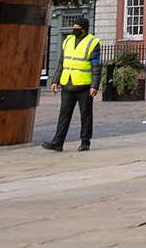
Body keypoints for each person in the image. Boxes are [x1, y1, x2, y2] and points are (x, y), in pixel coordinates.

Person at [39, 18, 100, 152]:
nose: (74, 29)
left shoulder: (93, 42)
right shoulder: (67, 41)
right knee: (64, 115)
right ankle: (58, 142)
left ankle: (85, 141)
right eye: (74, 26)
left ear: (83, 29)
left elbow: (96, 67)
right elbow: (62, 62)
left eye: (77, 27)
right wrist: (55, 81)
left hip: (84, 85)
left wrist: (94, 86)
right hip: (67, 83)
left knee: (86, 115)